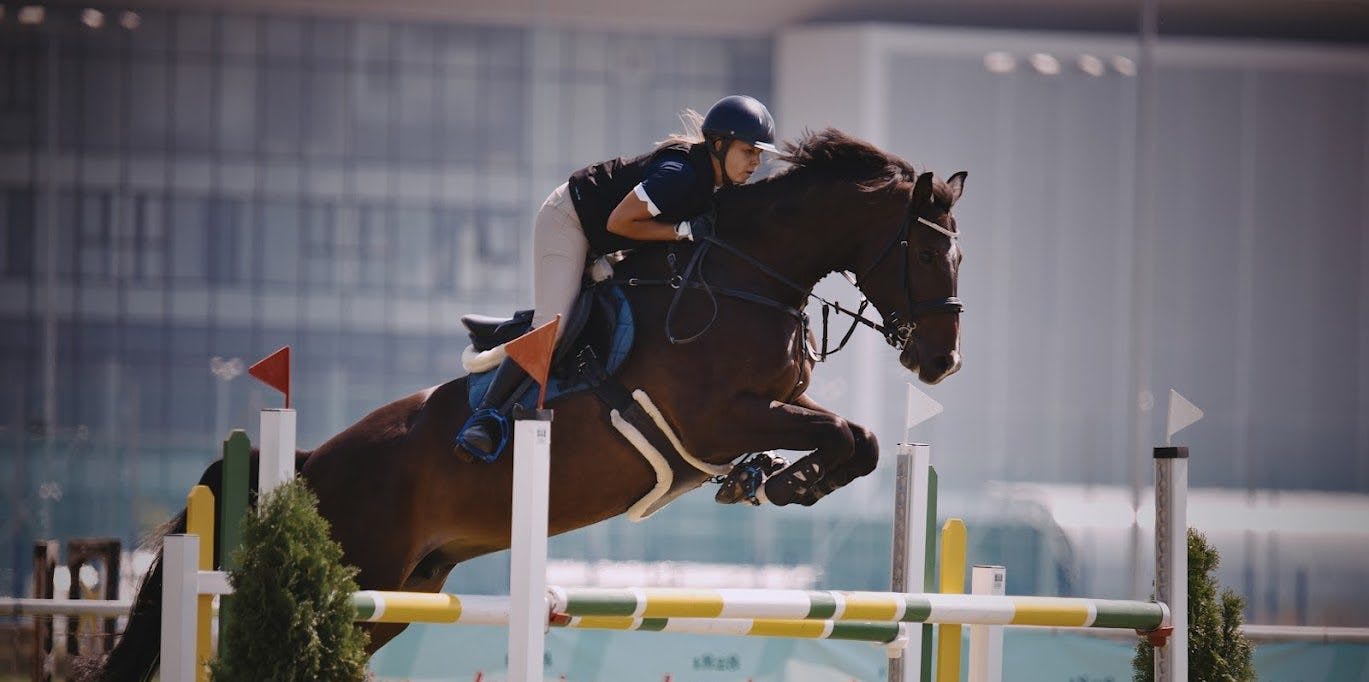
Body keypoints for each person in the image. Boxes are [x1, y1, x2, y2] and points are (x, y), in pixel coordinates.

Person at [457, 94, 779, 456]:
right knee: (554, 326)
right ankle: (486, 418)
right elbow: (619, 221)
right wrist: (682, 231)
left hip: (604, 237)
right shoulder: (680, 176)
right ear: (719, 145)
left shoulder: (715, 181)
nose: (756, 161)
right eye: (749, 151)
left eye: (759, 153)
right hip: (569, 221)